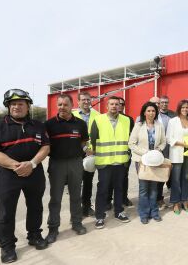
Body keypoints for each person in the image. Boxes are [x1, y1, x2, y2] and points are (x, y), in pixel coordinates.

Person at [0, 89, 50, 263]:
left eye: (21, 103)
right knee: (6, 212)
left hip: (34, 172)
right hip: (7, 175)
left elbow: (45, 147)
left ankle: (35, 235)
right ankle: (7, 245)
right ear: (8, 107)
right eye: (13, 104)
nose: (16, 107)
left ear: (28, 106)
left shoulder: (38, 125)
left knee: (36, 206)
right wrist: (17, 166)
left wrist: (32, 164)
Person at [44, 94, 89, 244]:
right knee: (55, 198)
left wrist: (86, 149)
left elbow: (83, 141)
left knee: (76, 196)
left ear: (72, 106)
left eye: (65, 104)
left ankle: (76, 223)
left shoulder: (81, 124)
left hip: (76, 163)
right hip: (57, 164)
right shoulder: (49, 124)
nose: (62, 107)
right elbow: (44, 145)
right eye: (60, 105)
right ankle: (53, 228)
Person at [90, 96, 132, 229]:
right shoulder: (98, 119)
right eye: (112, 104)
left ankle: (119, 211)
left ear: (120, 106)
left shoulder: (126, 120)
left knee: (119, 188)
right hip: (105, 162)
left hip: (120, 161)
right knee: (102, 190)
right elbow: (93, 140)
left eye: (117, 104)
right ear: (107, 106)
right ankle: (100, 216)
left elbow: (130, 139)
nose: (114, 106)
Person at [128, 101, 166, 224]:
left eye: (153, 111)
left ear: (156, 112)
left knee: (154, 188)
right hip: (142, 160)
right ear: (144, 112)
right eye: (148, 111)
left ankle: (154, 212)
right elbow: (131, 144)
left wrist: (157, 151)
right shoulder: (139, 125)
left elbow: (163, 142)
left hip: (155, 160)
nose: (151, 113)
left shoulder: (159, 125)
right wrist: (146, 153)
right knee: (144, 188)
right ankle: (144, 213)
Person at [72, 91, 100, 217]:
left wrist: (94, 150)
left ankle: (87, 206)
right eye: (83, 99)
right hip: (75, 152)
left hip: (91, 153)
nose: (86, 102)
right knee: (76, 182)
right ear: (78, 101)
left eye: (88, 99)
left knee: (88, 181)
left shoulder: (98, 115)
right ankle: (76, 209)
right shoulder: (72, 115)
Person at [166, 100, 188, 215]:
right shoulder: (173, 121)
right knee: (176, 179)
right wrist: (182, 144)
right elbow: (169, 138)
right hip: (177, 153)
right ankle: (175, 202)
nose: (185, 109)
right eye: (183, 107)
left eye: (187, 108)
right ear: (179, 108)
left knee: (185, 178)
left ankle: (184, 200)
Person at [106, 97, 135, 210]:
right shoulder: (105, 119)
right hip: (109, 154)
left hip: (124, 154)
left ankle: (124, 198)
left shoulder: (128, 119)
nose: (118, 106)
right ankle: (108, 200)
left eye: (121, 104)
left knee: (124, 177)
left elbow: (132, 136)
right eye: (116, 104)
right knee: (109, 178)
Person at [157, 95, 176, 209]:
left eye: (166, 102)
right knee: (160, 176)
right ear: (159, 104)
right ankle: (159, 198)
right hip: (159, 150)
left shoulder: (173, 114)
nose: (164, 104)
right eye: (162, 102)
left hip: (171, 149)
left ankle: (173, 198)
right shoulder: (155, 115)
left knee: (171, 175)